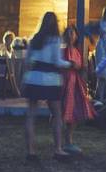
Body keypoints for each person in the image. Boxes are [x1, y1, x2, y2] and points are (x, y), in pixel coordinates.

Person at [22, 12, 72, 162]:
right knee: (57, 114)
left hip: (33, 78)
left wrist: (23, 79)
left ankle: (31, 151)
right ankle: (58, 149)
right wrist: (71, 64)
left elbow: (27, 61)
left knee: (31, 115)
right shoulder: (55, 40)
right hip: (51, 79)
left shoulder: (34, 39)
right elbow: (57, 62)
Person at [61, 24, 95, 155]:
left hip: (75, 84)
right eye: (68, 33)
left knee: (73, 113)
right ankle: (62, 141)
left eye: (73, 33)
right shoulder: (63, 51)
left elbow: (80, 66)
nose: (71, 35)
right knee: (63, 112)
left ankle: (68, 140)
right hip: (65, 83)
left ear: (76, 36)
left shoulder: (77, 51)